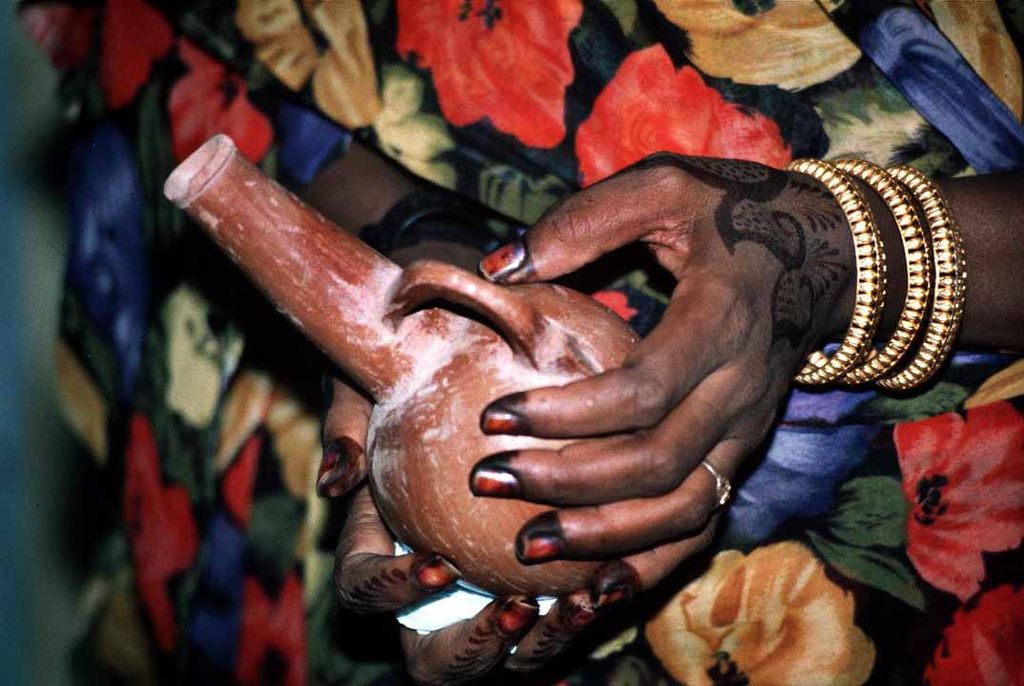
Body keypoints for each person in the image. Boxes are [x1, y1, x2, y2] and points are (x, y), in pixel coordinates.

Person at [23, 0, 1024, 683]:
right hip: (262, 441)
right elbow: (201, 41)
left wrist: (834, 248)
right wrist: (422, 238)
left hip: (888, 542)